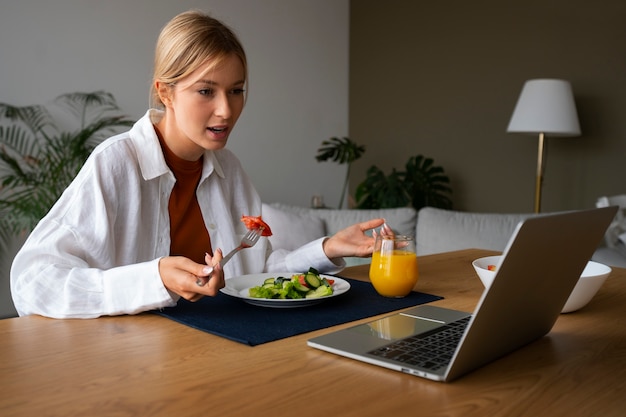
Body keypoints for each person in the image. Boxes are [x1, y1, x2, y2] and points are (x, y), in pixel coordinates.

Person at [10, 10, 384, 319]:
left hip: (220, 357)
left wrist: (328, 248)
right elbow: (32, 281)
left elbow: (255, 274)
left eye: (236, 90)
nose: (226, 110)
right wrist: (153, 277)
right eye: (206, 91)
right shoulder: (116, 164)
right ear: (165, 92)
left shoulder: (229, 170)